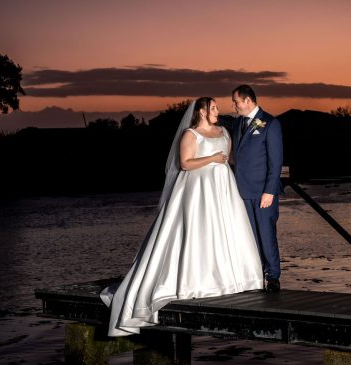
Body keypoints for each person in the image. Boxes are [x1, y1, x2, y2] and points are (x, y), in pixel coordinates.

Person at [100, 97, 264, 336]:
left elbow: (230, 159)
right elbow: (185, 164)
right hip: (197, 190)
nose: (218, 111)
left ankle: (233, 279)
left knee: (226, 230)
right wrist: (212, 159)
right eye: (213, 108)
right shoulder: (191, 134)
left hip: (223, 188)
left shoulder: (224, 132)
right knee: (198, 231)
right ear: (201, 111)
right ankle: (195, 280)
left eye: (217, 107)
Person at [230, 84, 284, 292]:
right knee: (250, 235)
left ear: (247, 101)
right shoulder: (238, 124)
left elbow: (276, 161)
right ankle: (255, 274)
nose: (234, 106)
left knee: (266, 233)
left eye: (235, 101)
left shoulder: (270, 123)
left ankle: (273, 277)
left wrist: (270, 191)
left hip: (263, 193)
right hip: (242, 191)